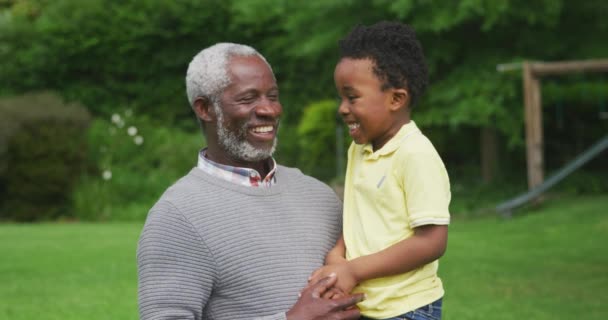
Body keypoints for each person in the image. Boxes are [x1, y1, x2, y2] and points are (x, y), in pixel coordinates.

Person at [137, 43, 364, 320]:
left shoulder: (319, 196)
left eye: (273, 96)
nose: (269, 110)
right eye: (248, 99)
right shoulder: (177, 216)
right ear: (205, 108)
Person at [307, 22, 451, 320]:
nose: (342, 108)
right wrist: (338, 254)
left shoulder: (415, 154)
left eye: (352, 97)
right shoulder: (358, 149)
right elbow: (360, 213)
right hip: (367, 306)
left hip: (408, 309)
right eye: (340, 98)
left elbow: (432, 241)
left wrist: (353, 269)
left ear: (396, 99)